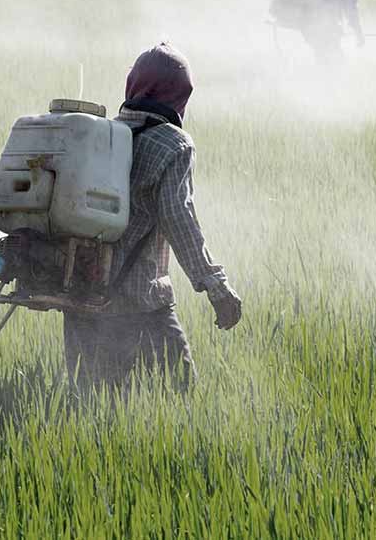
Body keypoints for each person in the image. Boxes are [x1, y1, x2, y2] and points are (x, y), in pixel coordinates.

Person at [63, 43, 242, 392]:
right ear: (178, 97)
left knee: (91, 406)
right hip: (140, 302)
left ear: (133, 86)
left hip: (80, 295)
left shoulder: (100, 135)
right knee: (181, 397)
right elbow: (179, 218)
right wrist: (216, 287)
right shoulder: (173, 145)